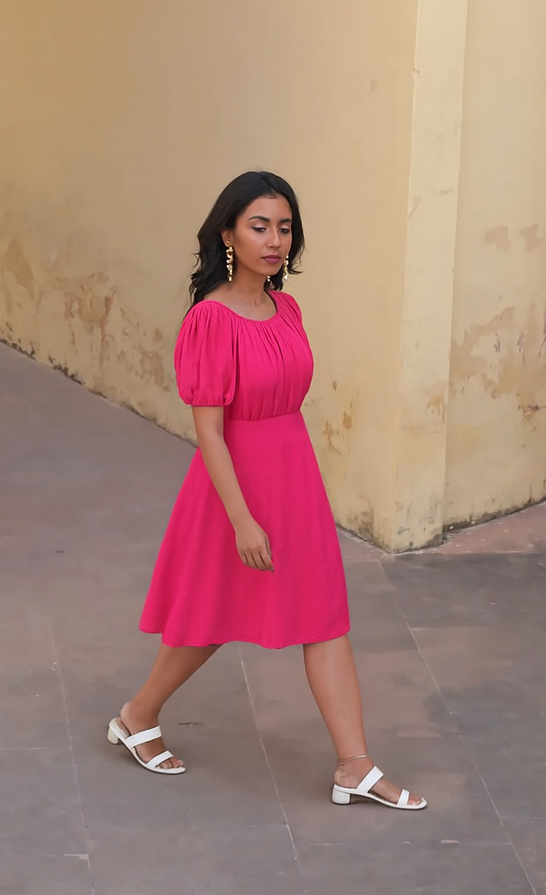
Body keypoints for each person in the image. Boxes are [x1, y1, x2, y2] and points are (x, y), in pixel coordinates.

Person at [107, 170, 426, 811]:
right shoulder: (209, 321)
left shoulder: (288, 308)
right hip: (234, 485)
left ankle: (354, 765)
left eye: (284, 227)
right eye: (259, 226)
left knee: (325, 615)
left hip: (293, 476)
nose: (275, 239)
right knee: (208, 620)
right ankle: (137, 714)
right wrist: (243, 519)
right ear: (228, 233)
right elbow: (210, 432)